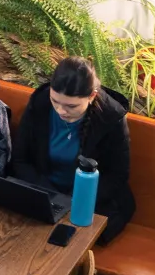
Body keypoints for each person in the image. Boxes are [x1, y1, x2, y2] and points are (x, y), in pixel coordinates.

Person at [11, 56, 135, 244]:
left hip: (90, 200)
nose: (61, 111)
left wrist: (75, 200)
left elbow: (117, 175)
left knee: (73, 241)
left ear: (92, 96)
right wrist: (51, 197)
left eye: (71, 106)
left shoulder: (111, 116)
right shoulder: (40, 102)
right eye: (55, 101)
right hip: (43, 190)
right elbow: (21, 160)